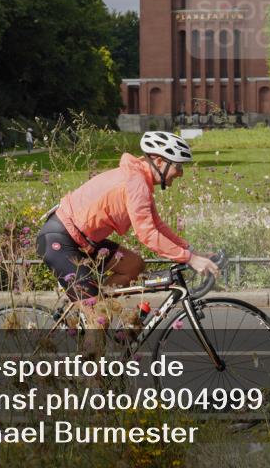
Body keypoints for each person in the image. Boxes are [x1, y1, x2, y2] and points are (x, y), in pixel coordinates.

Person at [36, 131, 219, 331]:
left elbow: (158, 226)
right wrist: (189, 258)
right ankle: (92, 336)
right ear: (159, 161)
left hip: (83, 242)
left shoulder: (139, 179)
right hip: (60, 241)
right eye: (178, 165)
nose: (181, 172)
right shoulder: (136, 183)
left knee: (133, 265)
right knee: (99, 321)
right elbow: (147, 234)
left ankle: (88, 306)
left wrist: (191, 252)